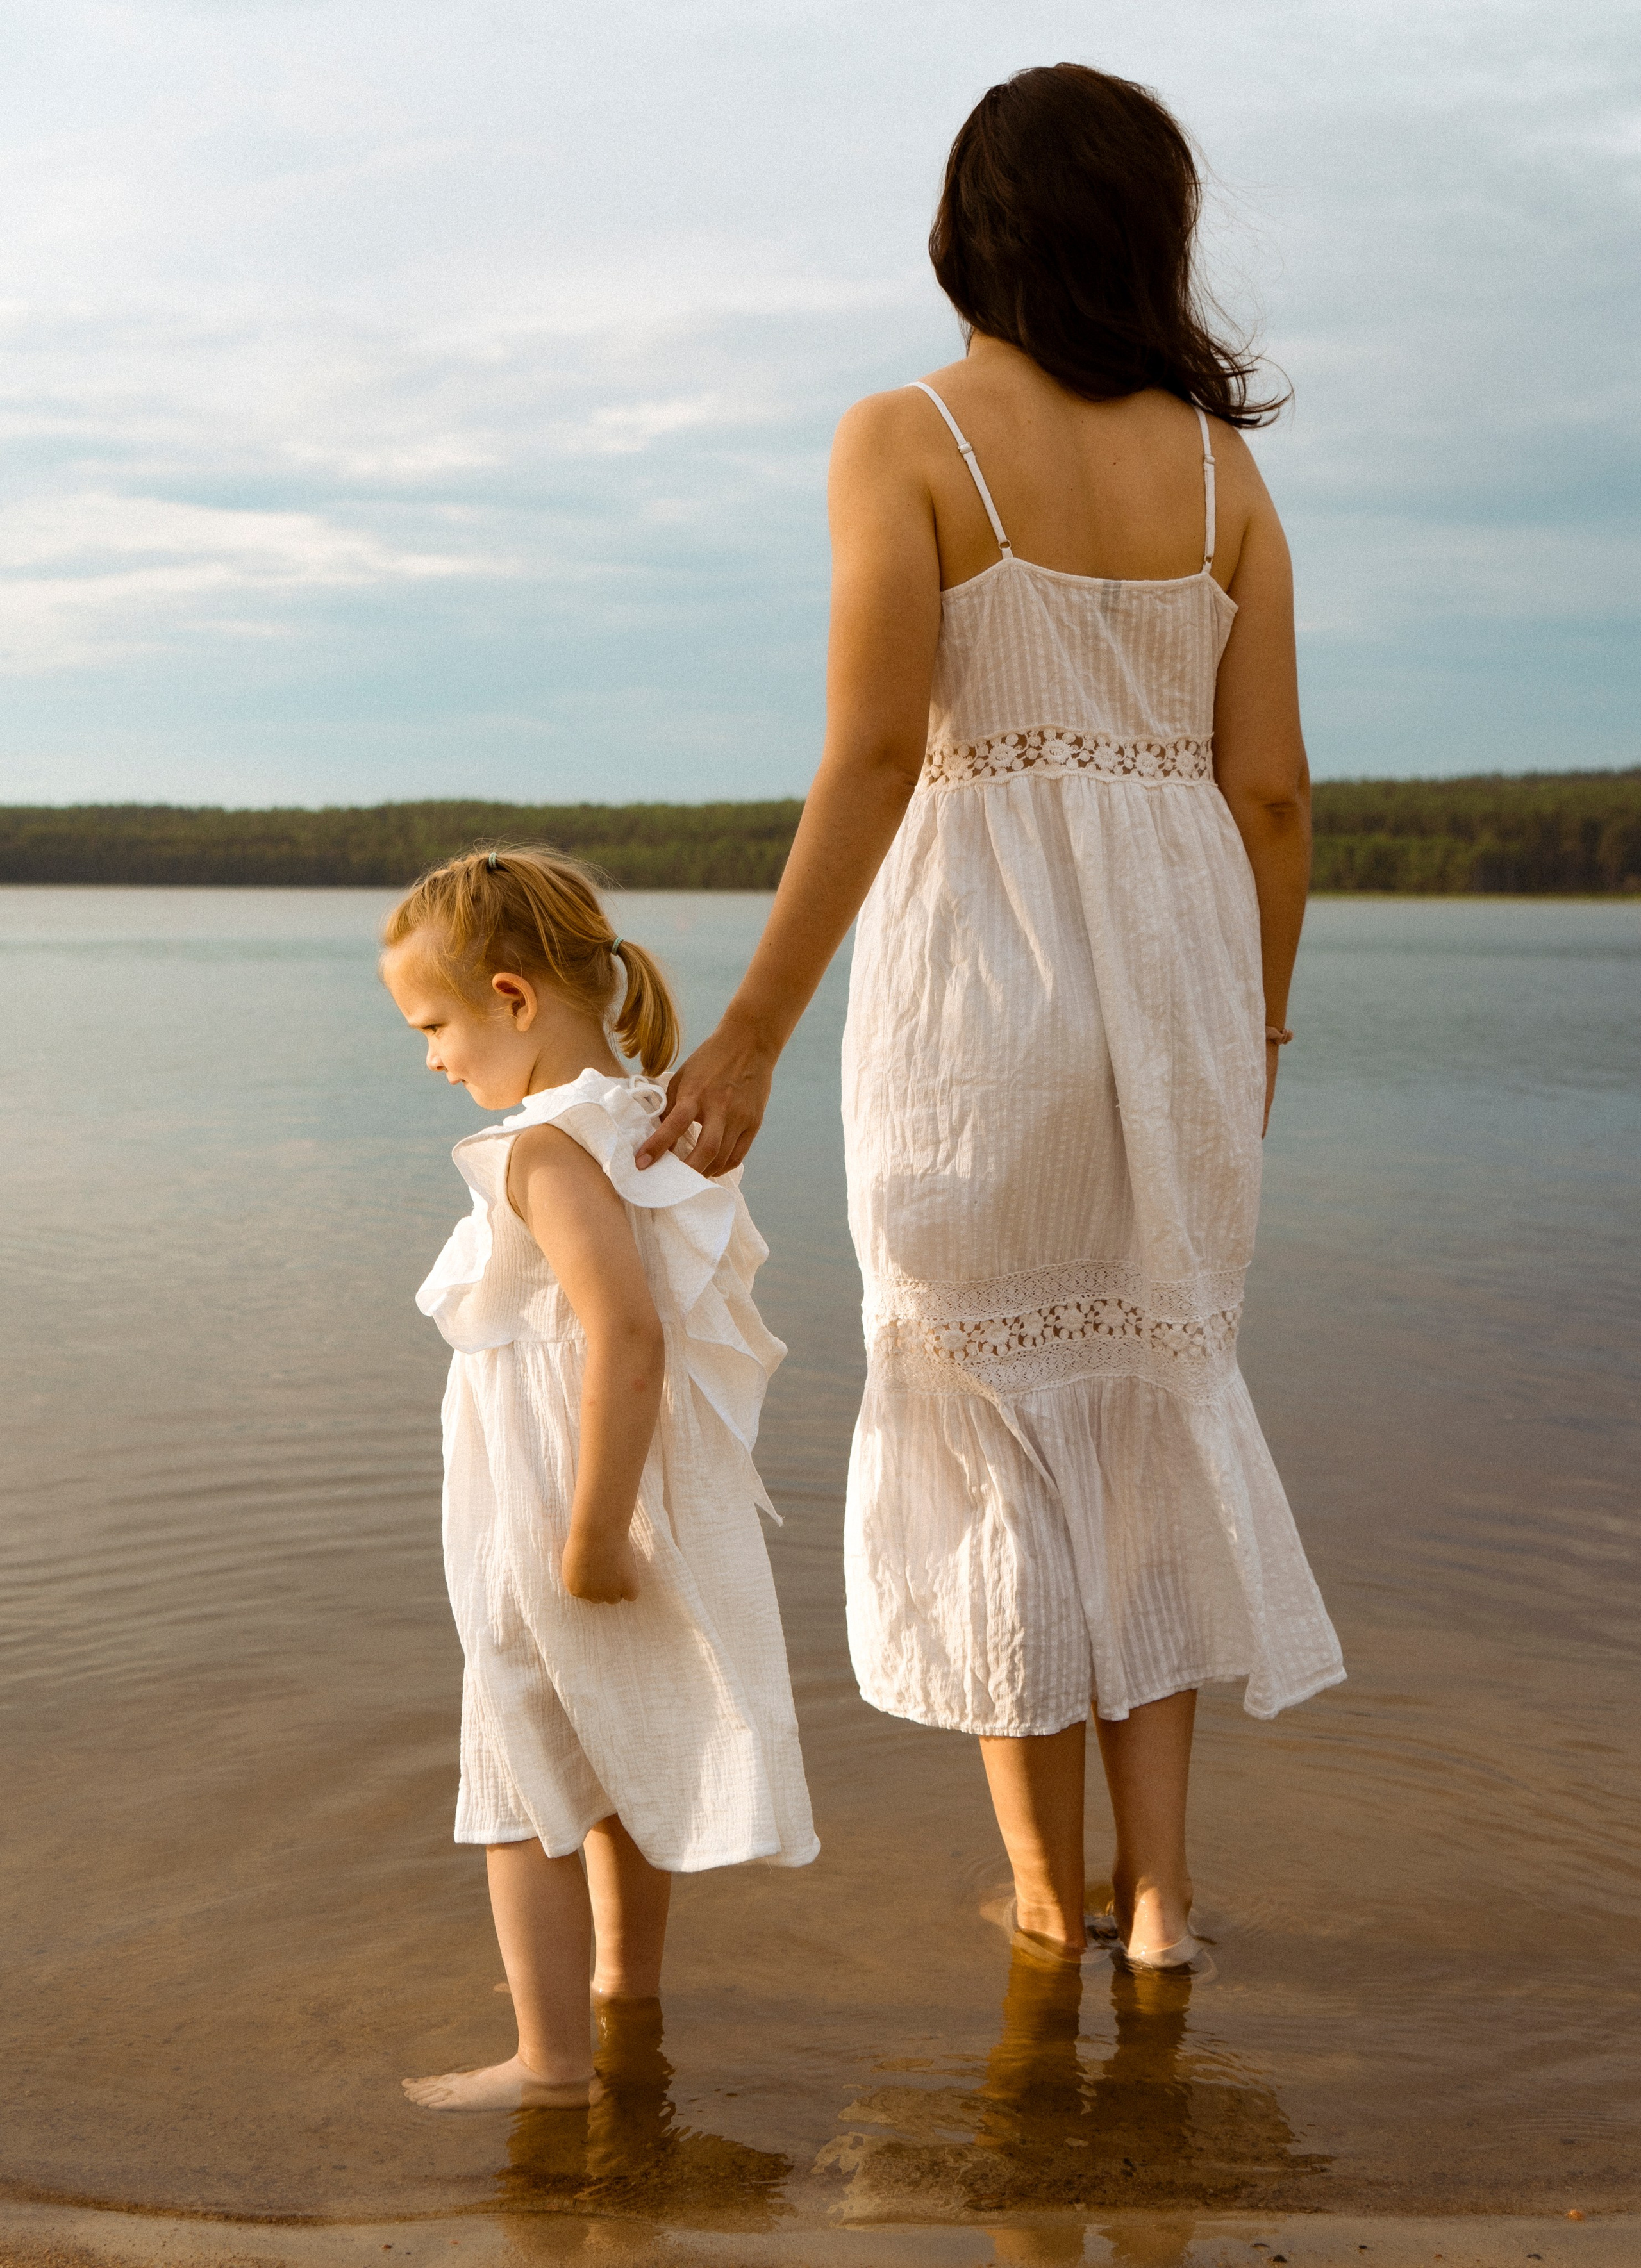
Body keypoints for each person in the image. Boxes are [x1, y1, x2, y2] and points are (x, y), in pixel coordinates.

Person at [635, 62, 1344, 1970]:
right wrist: (1251, 1036)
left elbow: (873, 748)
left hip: (977, 1002)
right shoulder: (1223, 469)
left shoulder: (908, 434)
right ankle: (1169, 1904)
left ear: (971, 229)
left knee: (988, 1428)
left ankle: (1047, 1901)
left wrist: (756, 1032)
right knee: (1148, 1411)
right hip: (1185, 999)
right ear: (1152, 236)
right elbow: (1271, 795)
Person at [382, 847, 817, 2112]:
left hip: (559, 1497)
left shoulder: (543, 1151)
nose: (430, 1058)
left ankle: (548, 2061)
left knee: (521, 1774)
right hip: (642, 1486)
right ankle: (625, 1998)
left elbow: (626, 1334)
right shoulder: (644, 1121)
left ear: (512, 998)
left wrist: (586, 1534)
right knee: (617, 1745)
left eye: (435, 1025)